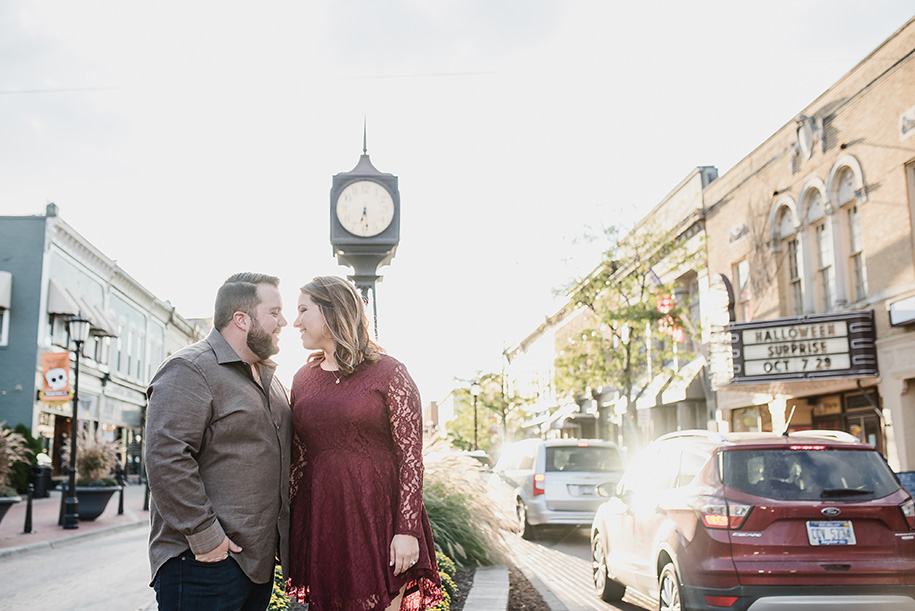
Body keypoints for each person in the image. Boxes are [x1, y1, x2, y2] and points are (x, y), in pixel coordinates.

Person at [286, 276, 442, 611]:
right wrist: (288, 528)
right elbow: (299, 459)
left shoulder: (390, 373)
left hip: (380, 521)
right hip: (324, 521)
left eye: (302, 310)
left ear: (332, 312)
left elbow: (410, 458)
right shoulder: (302, 378)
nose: (294, 321)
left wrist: (407, 530)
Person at [145, 272, 292, 611]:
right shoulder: (190, 369)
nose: (283, 321)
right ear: (241, 319)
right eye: (274, 312)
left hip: (256, 564)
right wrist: (206, 539)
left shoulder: (271, 380)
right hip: (203, 563)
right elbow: (166, 457)